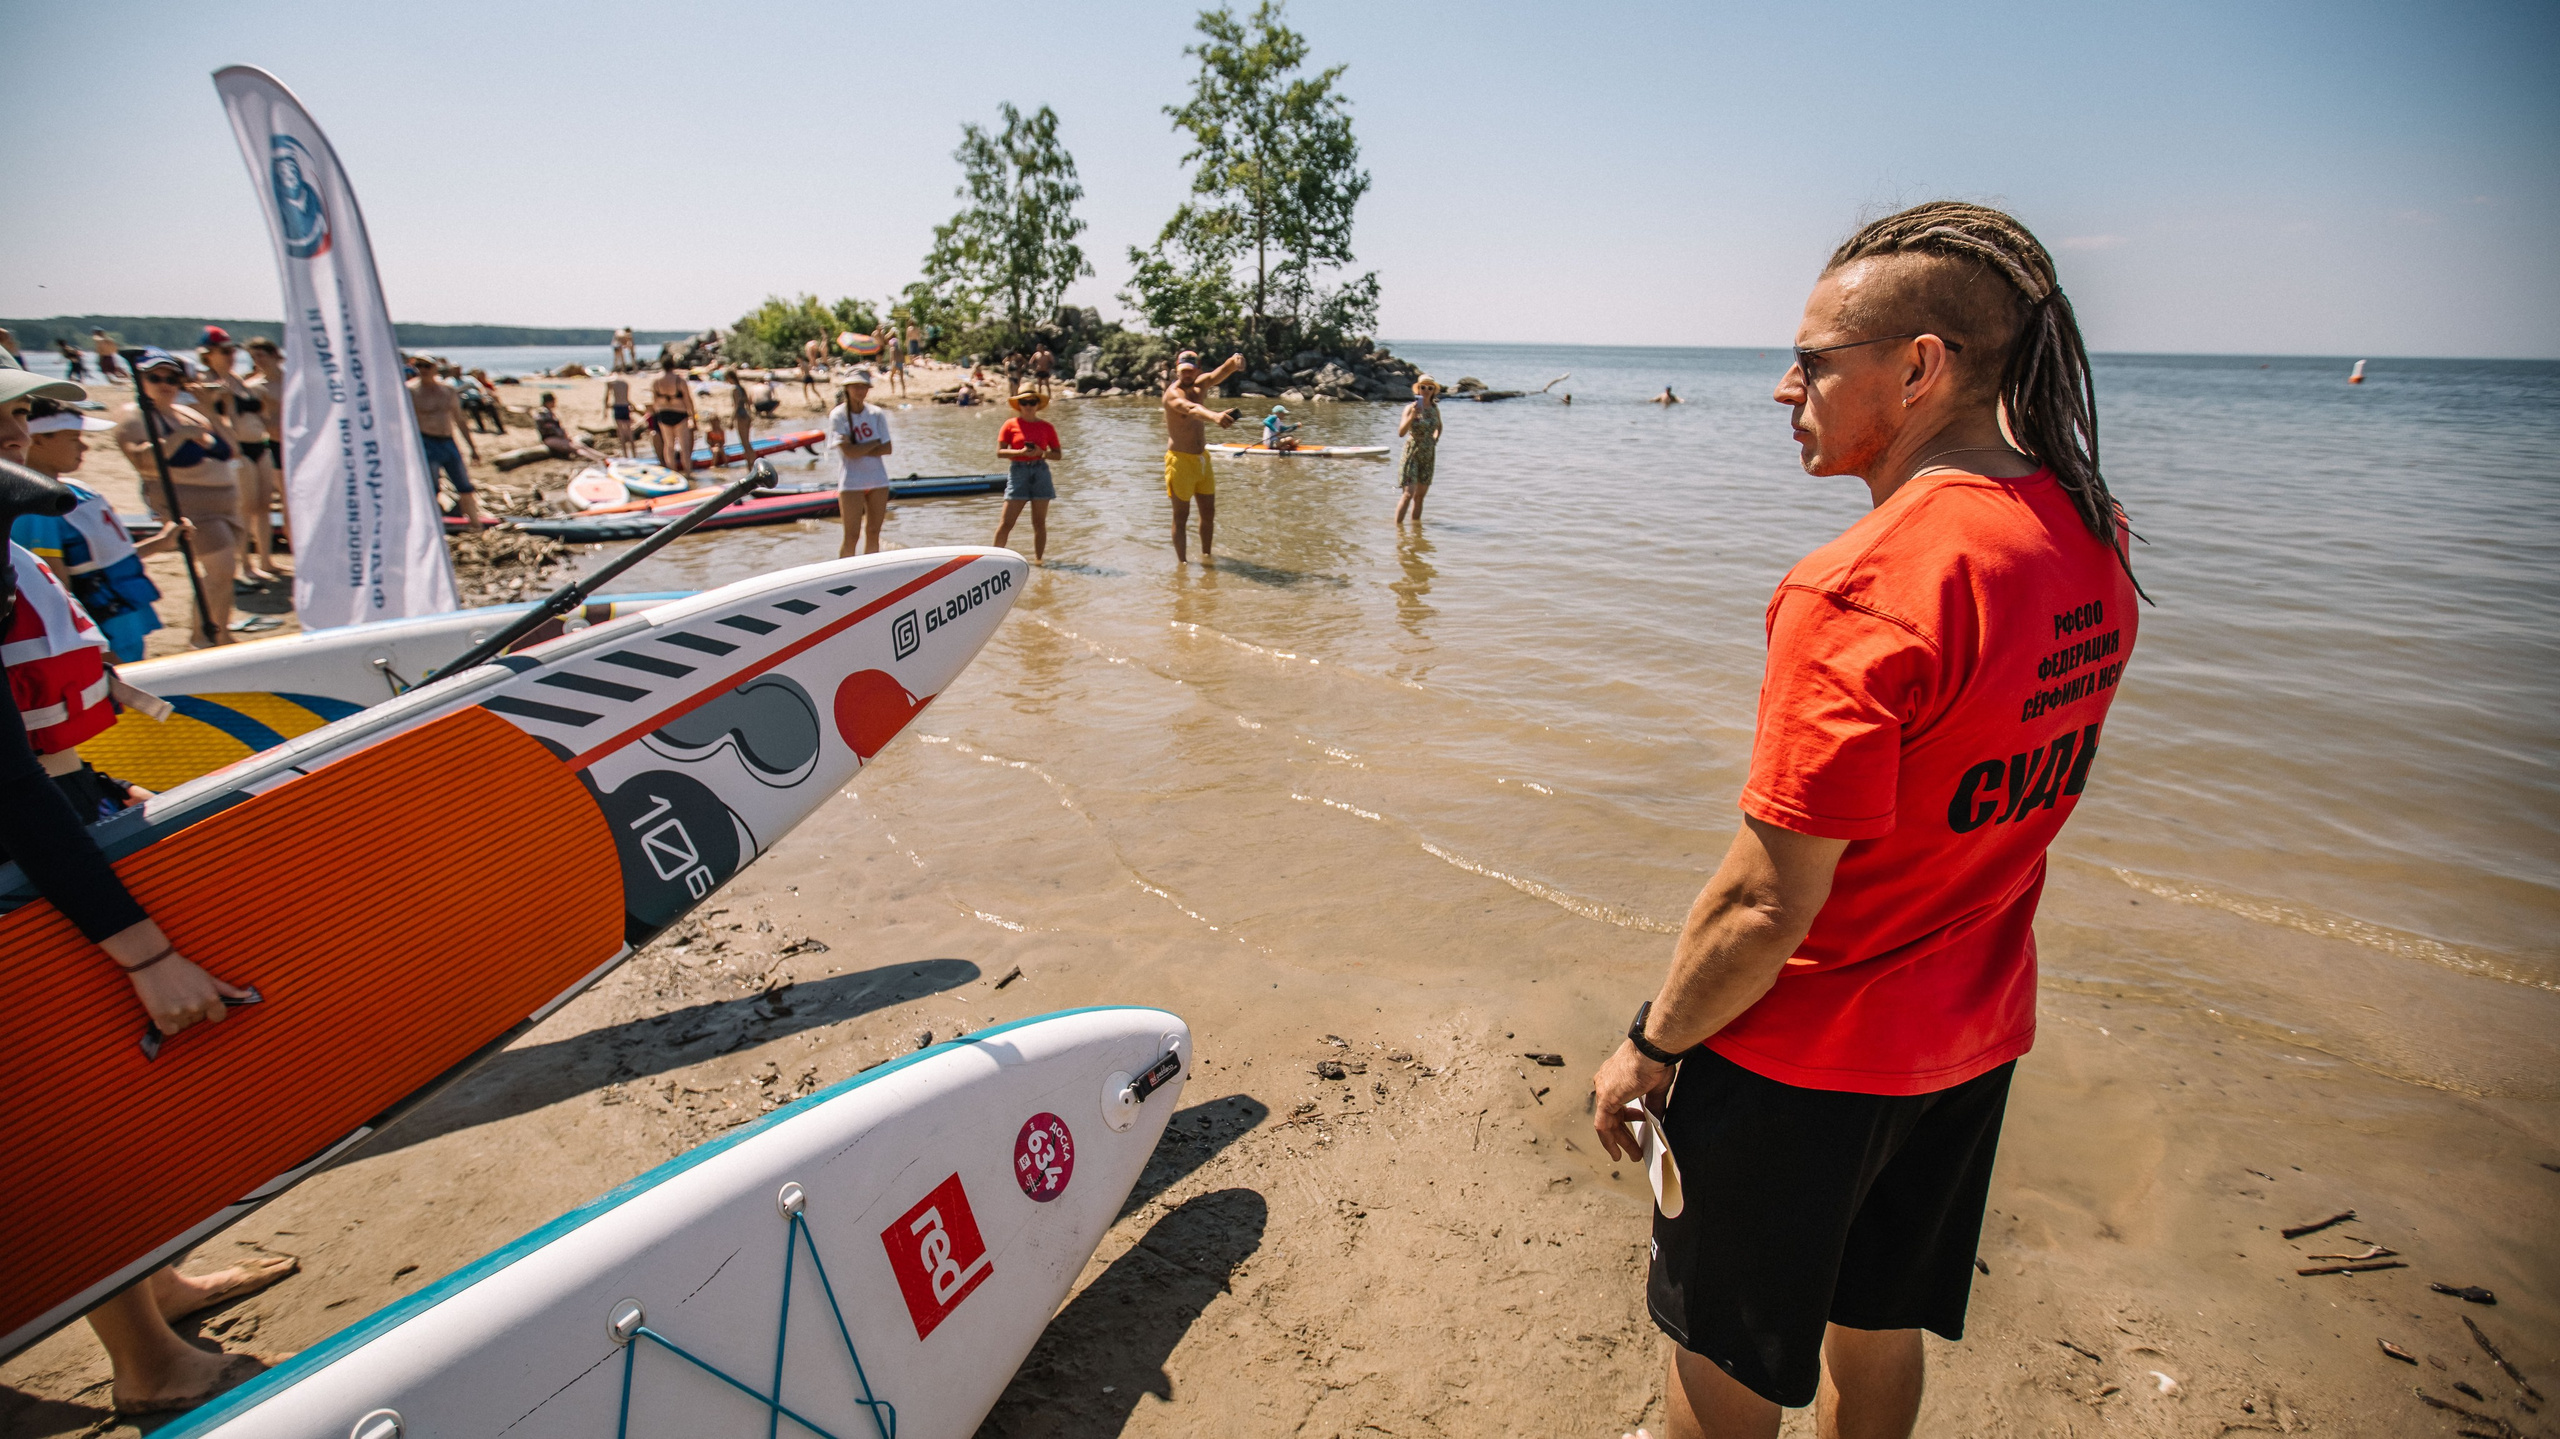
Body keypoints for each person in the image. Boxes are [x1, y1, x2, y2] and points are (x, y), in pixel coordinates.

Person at [1590, 201, 2142, 1439]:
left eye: (1812, 360)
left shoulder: (1860, 587)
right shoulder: (2089, 532)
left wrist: (1648, 1044)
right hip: (1971, 1039)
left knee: (1723, 1364)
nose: (1784, 388)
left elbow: (1762, 901)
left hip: (1806, 1060)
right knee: (1877, 1322)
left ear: (1918, 366)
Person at [0, 457, 292, 1417]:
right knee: (68, 1122)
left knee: (109, 1101)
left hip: (47, 833)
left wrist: (94, 793)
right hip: (23, 873)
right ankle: (149, 1366)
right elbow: (8, 792)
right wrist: (147, 953)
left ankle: (155, 1285)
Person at [15, 398, 183, 661]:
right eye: (74, 438)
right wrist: (95, 648)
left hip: (125, 624)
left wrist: (161, 542)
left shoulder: (80, 491)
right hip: (101, 637)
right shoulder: (40, 507)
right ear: (37, 441)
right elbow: (54, 587)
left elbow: (102, 561)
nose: (85, 446)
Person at [117, 350, 241, 644]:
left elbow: (232, 449)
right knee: (220, 569)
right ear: (140, 380)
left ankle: (219, 631)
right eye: (155, 377)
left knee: (224, 574)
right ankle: (203, 636)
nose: (165, 384)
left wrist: (210, 410)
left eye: (172, 378)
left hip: (224, 505)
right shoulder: (134, 415)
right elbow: (143, 461)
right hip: (190, 506)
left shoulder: (188, 412)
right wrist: (181, 436)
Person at [1159, 351, 1243, 563]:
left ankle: (1207, 557)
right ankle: (1183, 565)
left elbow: (1219, 373)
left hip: (1202, 460)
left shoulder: (1201, 384)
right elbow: (1191, 408)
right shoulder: (1172, 394)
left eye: (1190, 371)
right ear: (1176, 371)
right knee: (1181, 517)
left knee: (1208, 513)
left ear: (1197, 370)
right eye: (1183, 371)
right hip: (1180, 461)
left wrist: (1235, 361)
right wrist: (1215, 416)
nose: (1187, 375)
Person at [407, 356, 485, 527]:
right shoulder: (410, 391)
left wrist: (472, 448)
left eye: (427, 366)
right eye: (419, 365)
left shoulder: (447, 391)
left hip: (448, 441)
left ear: (435, 368)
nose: (423, 369)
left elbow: (460, 420)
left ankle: (476, 525)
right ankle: (431, 525)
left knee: (464, 485)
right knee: (431, 487)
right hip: (426, 442)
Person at [234, 337, 287, 586]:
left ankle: (267, 560)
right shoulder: (254, 386)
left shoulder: (292, 380)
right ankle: (250, 562)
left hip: (294, 445)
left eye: (261, 355)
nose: (257, 361)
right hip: (272, 444)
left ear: (275, 354)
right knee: (255, 505)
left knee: (269, 506)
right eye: (253, 357)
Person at [827, 369, 893, 556]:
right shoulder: (838, 415)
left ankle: (871, 570)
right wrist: (873, 443)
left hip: (878, 479)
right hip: (851, 481)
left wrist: (858, 447)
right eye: (855, 387)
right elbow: (849, 453)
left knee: (873, 532)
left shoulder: (876, 413)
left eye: (863, 387)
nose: (860, 391)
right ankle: (844, 571)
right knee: (851, 536)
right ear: (847, 389)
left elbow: (887, 448)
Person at [993, 384, 1061, 561]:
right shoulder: (1010, 425)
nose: (1028, 406)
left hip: (1040, 472)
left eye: (1032, 402)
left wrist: (1041, 453)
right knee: (1006, 523)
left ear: (1038, 404)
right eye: (1024, 402)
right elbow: (1000, 452)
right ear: (1019, 405)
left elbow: (1058, 454)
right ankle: (993, 560)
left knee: (1039, 523)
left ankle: (1039, 562)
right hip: (1018, 472)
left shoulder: (1047, 427)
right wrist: (1020, 452)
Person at [1395, 376, 1442, 525]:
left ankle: (1416, 532)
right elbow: (1401, 432)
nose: (1426, 390)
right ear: (1418, 389)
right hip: (1412, 451)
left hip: (1428, 453)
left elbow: (1439, 426)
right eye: (1423, 387)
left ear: (1433, 390)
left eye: (1430, 388)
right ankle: (1399, 531)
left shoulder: (1434, 408)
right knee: (1408, 494)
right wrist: (1412, 416)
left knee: (1420, 497)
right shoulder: (1410, 408)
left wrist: (1435, 439)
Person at [648, 354, 695, 475]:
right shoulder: (679, 380)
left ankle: (673, 474)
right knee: (684, 446)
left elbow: (654, 401)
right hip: (679, 413)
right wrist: (692, 416)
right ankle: (688, 473)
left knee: (669, 446)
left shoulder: (656, 381)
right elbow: (688, 399)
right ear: (673, 365)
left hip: (663, 414)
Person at [532, 392, 607, 462]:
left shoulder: (548, 412)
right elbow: (550, 428)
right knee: (576, 449)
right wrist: (562, 435)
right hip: (550, 438)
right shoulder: (543, 413)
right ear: (549, 402)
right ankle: (599, 460)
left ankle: (603, 457)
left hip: (557, 437)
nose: (555, 403)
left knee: (580, 446)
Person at [603, 371, 636, 458]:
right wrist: (633, 406)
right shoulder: (625, 383)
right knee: (629, 431)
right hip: (625, 407)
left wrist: (605, 412)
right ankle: (635, 455)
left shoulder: (611, 382)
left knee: (621, 432)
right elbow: (626, 398)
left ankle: (626, 455)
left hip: (617, 407)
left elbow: (606, 397)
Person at [800, 337, 828, 407]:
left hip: (806, 377)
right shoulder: (807, 364)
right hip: (810, 377)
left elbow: (802, 373)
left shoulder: (803, 364)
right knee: (813, 389)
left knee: (805, 389)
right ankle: (821, 399)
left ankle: (807, 401)